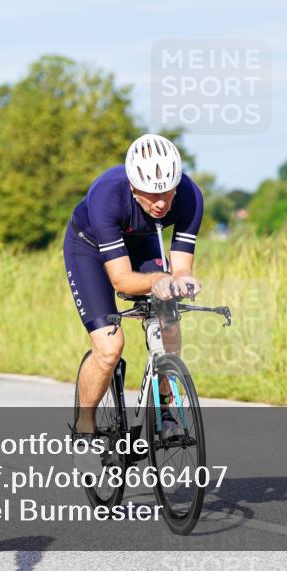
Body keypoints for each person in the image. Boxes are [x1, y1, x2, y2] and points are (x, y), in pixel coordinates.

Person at [65, 134, 203, 445]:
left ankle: (166, 408)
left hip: (140, 242)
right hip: (88, 248)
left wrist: (182, 280)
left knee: (169, 320)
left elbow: (181, 267)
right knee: (110, 348)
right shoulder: (106, 195)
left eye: (167, 194)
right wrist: (159, 280)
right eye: (150, 194)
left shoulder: (191, 197)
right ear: (132, 186)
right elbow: (122, 280)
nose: (160, 203)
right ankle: (85, 424)